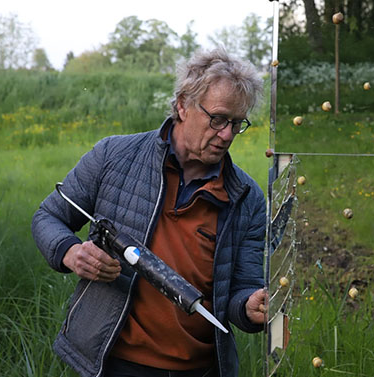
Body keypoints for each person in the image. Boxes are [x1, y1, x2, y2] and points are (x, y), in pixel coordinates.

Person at [32, 48, 267, 377]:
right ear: (183, 104)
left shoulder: (247, 198)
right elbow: (48, 217)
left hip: (200, 370)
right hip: (114, 363)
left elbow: (241, 289)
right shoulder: (113, 156)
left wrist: (251, 307)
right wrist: (71, 252)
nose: (227, 134)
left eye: (237, 123)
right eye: (217, 119)